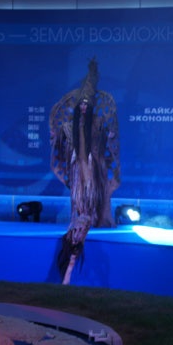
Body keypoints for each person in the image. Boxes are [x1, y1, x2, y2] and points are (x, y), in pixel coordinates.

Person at [49, 57, 121, 283]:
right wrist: (55, 138)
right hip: (76, 167)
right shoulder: (68, 127)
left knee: (93, 195)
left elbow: (110, 143)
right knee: (79, 198)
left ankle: (94, 219)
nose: (82, 107)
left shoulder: (98, 123)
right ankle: (78, 222)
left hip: (92, 167)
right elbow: (57, 143)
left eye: (86, 104)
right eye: (80, 104)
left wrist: (110, 137)